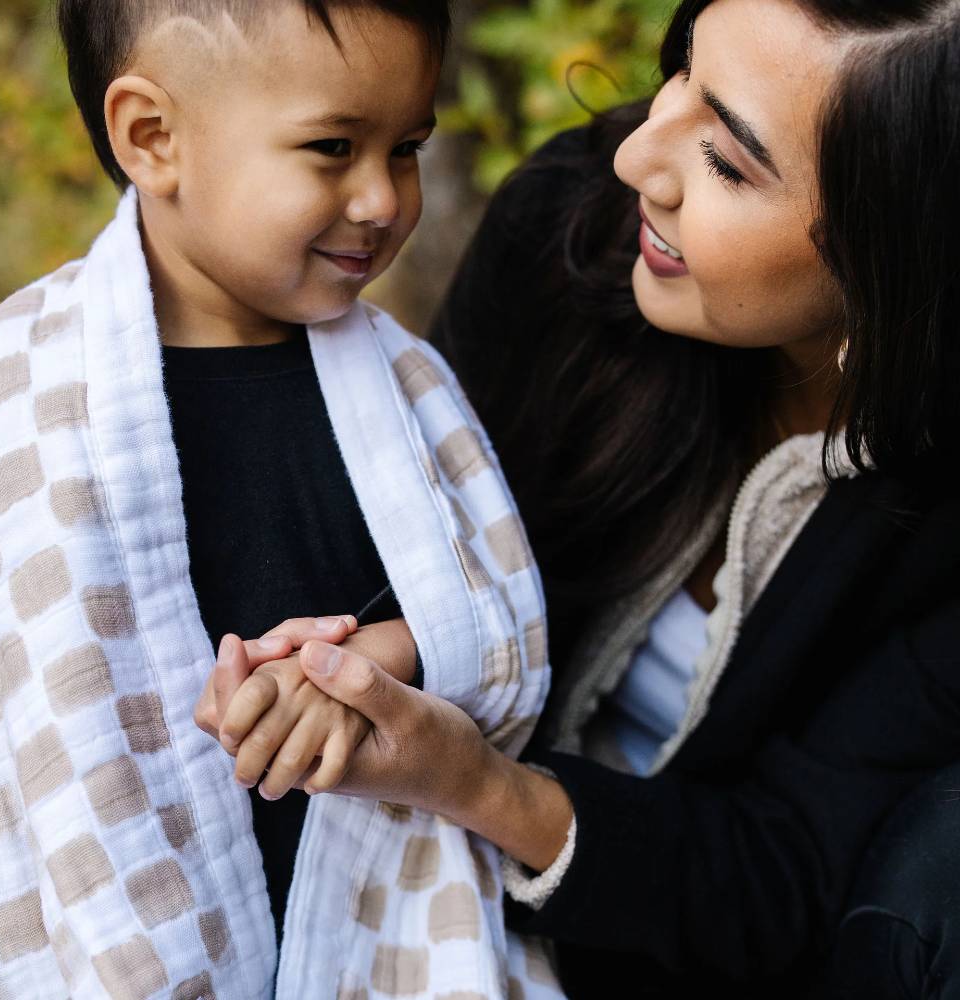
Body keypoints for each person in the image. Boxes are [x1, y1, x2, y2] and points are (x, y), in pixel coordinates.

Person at [202, 0, 960, 995]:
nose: (637, 160)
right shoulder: (571, 229)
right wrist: (397, 645)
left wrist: (482, 785)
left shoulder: (933, 526)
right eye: (679, 74)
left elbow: (788, 881)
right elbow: (436, 528)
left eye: (727, 164)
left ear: (899, 258)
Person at [0, 2, 557, 997]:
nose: (380, 198)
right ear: (154, 137)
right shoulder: (29, 377)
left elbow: (499, 623)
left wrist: (374, 665)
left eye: (406, 147)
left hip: (371, 919)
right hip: (121, 926)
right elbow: (25, 697)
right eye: (333, 147)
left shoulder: (410, 388)